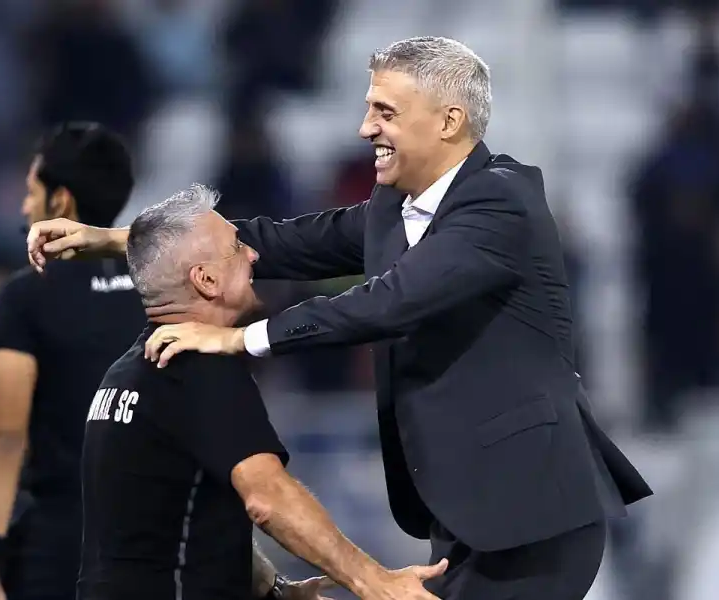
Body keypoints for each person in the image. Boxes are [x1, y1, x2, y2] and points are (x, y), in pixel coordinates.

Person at [26, 37, 653, 600]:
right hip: (470, 519)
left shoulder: (501, 202)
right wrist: (111, 239)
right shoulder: (391, 208)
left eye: (384, 112)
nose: (363, 128)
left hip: (533, 515)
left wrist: (241, 339)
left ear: (449, 121)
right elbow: (263, 240)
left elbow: (391, 301)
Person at [79, 184, 446, 600]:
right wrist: (375, 582)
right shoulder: (199, 368)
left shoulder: (128, 372)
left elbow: (183, 514)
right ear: (206, 279)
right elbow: (268, 498)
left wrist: (273, 589)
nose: (254, 255)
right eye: (237, 247)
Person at [0, 123, 148, 600]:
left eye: (32, 193)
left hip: (62, 540)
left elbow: (5, 433)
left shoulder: (25, 297)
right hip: (161, 535)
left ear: (61, 201)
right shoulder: (161, 289)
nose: (26, 207)